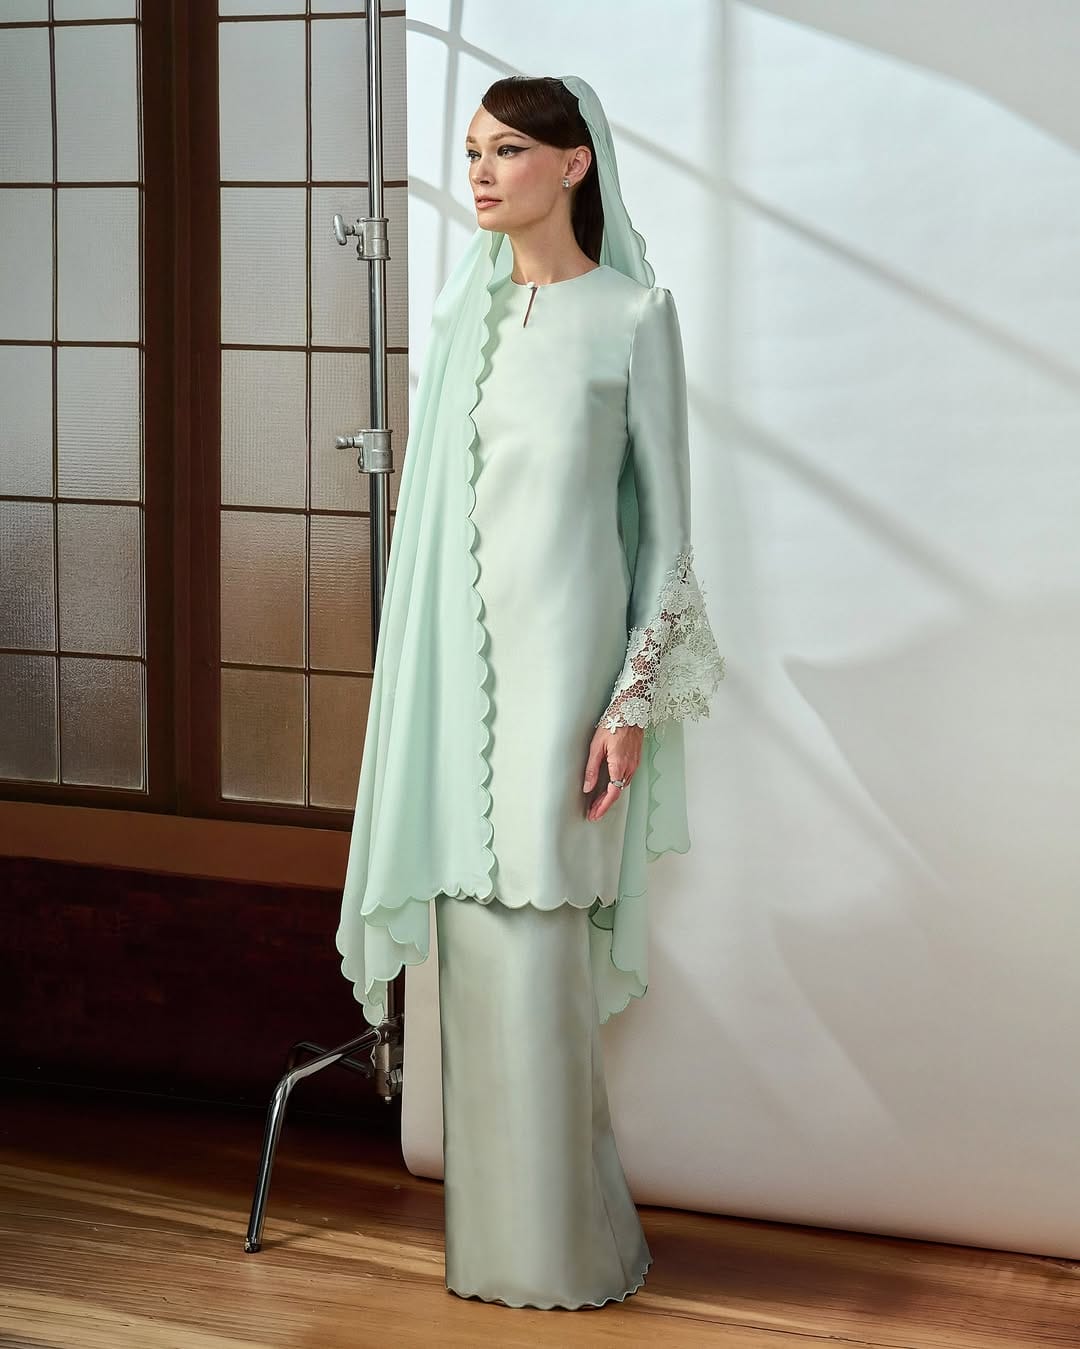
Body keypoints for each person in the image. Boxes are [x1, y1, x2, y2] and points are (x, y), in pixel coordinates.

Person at [335, 73, 724, 1310]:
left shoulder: (635, 316)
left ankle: (574, 1253)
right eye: (472, 152)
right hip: (460, 693)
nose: (482, 174)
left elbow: (668, 536)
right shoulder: (467, 319)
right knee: (477, 966)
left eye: (508, 150)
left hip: (568, 696)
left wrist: (629, 701)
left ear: (574, 162)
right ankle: (495, 1254)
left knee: (544, 965)